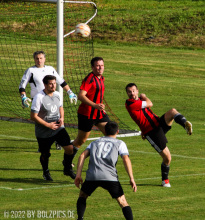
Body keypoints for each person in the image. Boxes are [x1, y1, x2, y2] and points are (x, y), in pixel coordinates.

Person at [125, 83, 193, 187]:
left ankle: (185, 125)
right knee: (167, 158)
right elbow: (150, 103)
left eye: (133, 91)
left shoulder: (139, 100)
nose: (132, 93)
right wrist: (144, 97)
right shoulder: (130, 104)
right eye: (129, 92)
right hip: (152, 132)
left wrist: (142, 98)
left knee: (172, 112)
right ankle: (164, 181)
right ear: (127, 93)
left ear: (137, 91)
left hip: (157, 123)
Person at [75, 121, 137, 220]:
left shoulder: (94, 142)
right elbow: (125, 159)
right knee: (122, 201)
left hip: (92, 176)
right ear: (117, 131)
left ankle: (80, 218)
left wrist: (78, 175)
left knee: (82, 196)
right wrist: (131, 178)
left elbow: (82, 155)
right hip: (110, 177)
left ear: (104, 131)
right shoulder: (120, 143)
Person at [19, 50, 77, 150]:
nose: (39, 60)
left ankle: (59, 141)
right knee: (41, 122)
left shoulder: (50, 69)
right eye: (37, 58)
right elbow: (22, 86)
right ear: (34, 59)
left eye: (41, 58)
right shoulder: (30, 71)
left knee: (57, 117)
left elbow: (61, 81)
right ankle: (42, 144)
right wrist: (23, 97)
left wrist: (70, 93)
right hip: (39, 100)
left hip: (52, 98)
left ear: (44, 59)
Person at [30, 75, 76, 181]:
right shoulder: (39, 97)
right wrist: (48, 125)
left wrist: (62, 119)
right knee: (46, 154)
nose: (53, 85)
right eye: (50, 84)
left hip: (58, 128)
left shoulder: (57, 94)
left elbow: (61, 108)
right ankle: (45, 172)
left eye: (54, 83)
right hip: (43, 131)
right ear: (45, 85)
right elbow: (33, 116)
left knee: (70, 149)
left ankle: (67, 168)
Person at [69, 57, 110, 167]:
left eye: (102, 65)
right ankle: (67, 161)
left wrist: (100, 106)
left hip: (99, 113)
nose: (100, 68)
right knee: (80, 140)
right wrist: (95, 105)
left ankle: (102, 162)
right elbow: (81, 96)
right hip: (86, 114)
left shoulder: (101, 78)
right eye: (97, 65)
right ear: (92, 67)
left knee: (111, 133)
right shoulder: (90, 79)